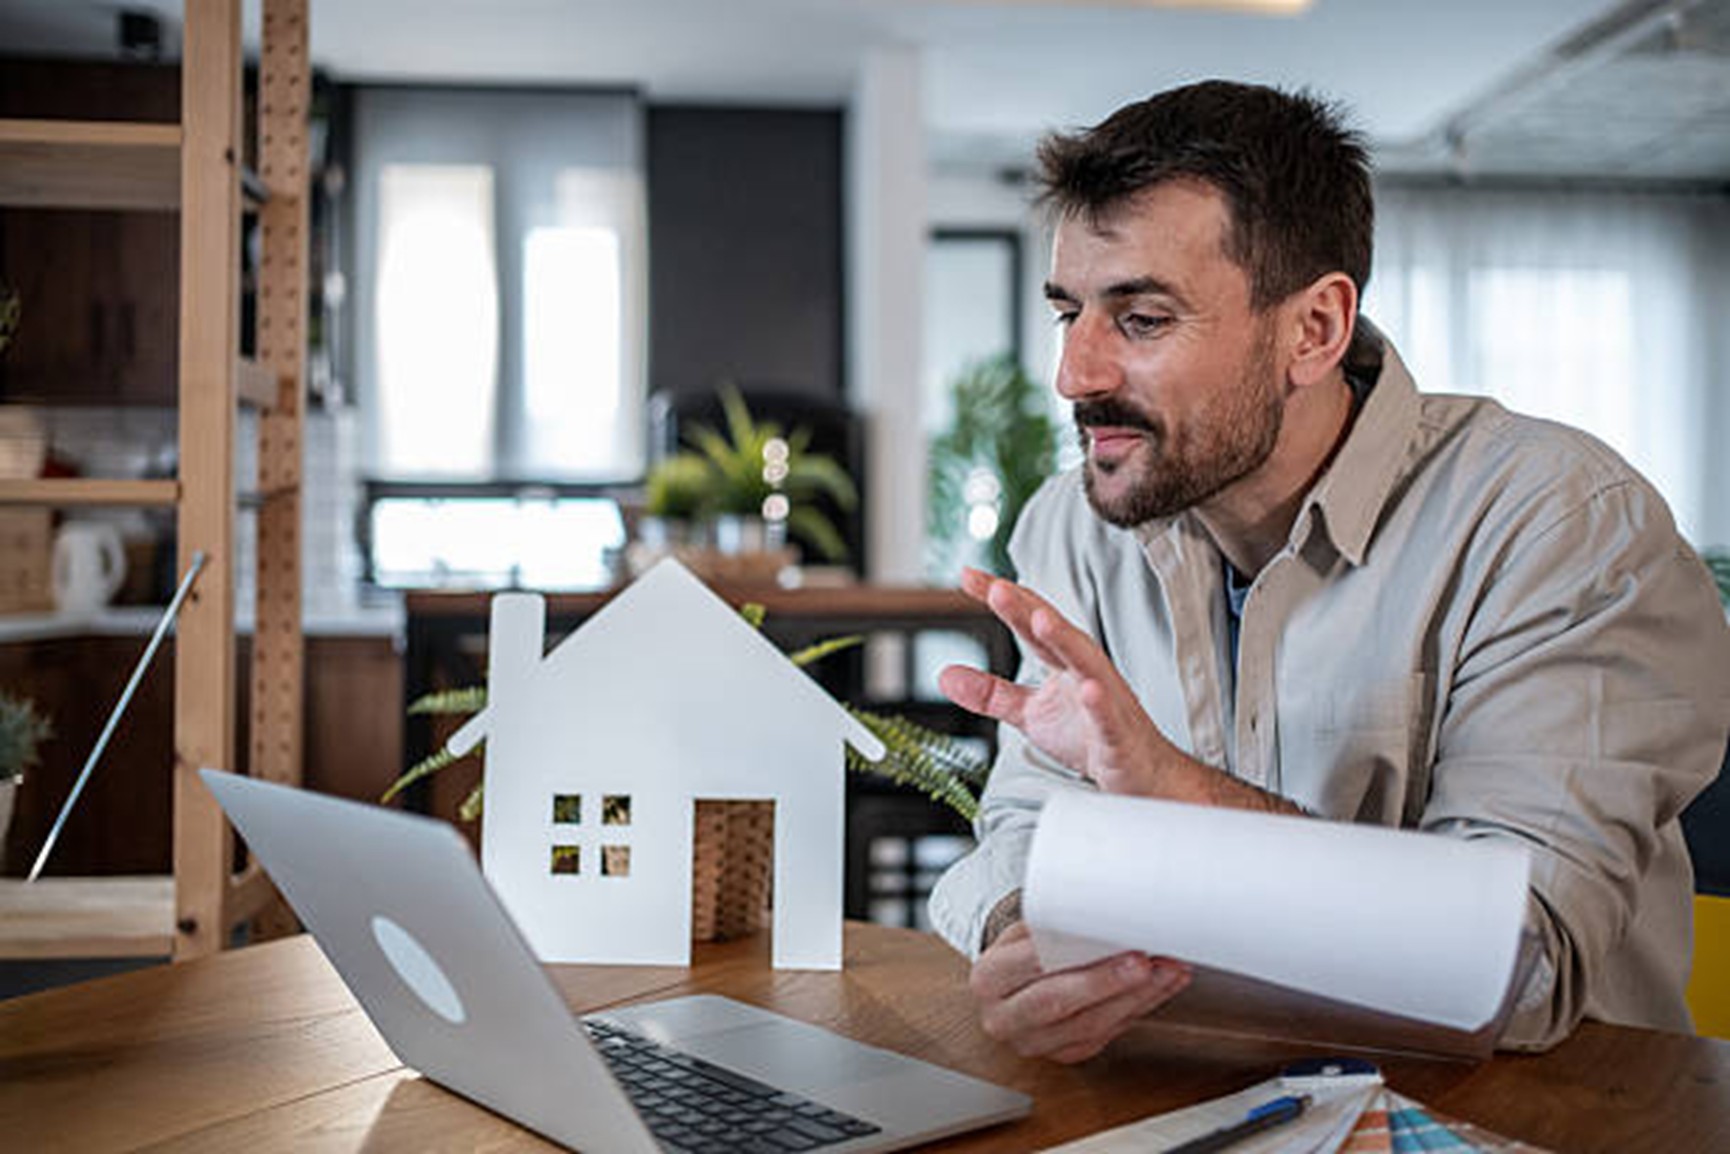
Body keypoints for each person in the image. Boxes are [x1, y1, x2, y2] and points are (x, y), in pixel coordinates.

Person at [926, 79, 1730, 1060]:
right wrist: (1021, 926)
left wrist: (1177, 798)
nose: (1074, 374)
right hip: (1200, 1094)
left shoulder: (1560, 524)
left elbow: (1521, 965)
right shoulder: (1071, 527)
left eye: (1139, 320)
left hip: (1533, 1114)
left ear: (1311, 330)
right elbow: (1020, 818)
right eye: (1070, 313)